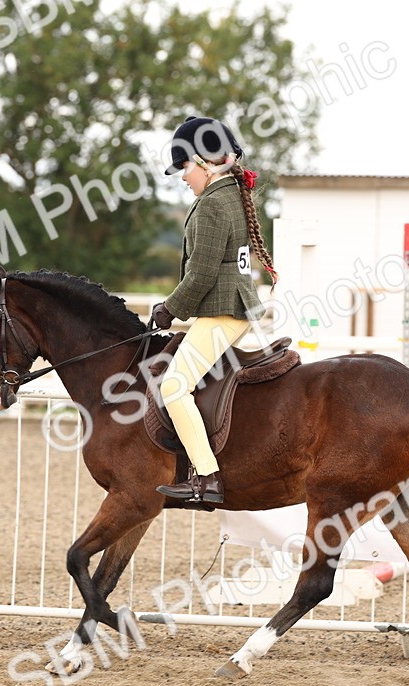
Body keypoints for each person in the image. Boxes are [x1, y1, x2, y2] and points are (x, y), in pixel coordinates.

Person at [150, 116, 277, 506]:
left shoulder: (212, 205)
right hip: (234, 307)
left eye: (186, 167)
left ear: (205, 162)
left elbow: (201, 274)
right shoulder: (230, 196)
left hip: (224, 310)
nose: (183, 177)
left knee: (173, 386)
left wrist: (170, 309)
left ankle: (206, 477)